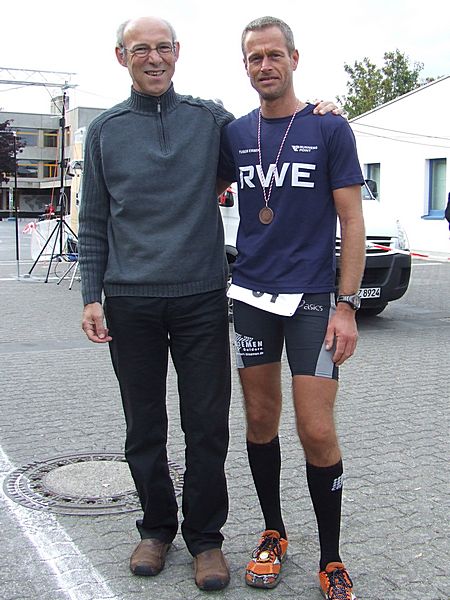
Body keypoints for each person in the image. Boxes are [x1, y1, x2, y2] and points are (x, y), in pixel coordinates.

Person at [77, 16, 233, 592]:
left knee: (207, 425)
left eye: (163, 47)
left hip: (201, 297)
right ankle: (156, 528)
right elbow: (93, 220)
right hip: (130, 301)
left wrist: (316, 114)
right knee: (144, 426)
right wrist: (91, 296)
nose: (154, 58)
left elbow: (267, 142)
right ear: (121, 56)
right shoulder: (105, 130)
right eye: (140, 49)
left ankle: (206, 539)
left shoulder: (210, 121)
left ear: (178, 52)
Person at [217, 16, 366, 600]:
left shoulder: (329, 127)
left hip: (312, 300)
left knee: (316, 428)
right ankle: (273, 532)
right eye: (254, 57)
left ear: (294, 59)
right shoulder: (234, 133)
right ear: (245, 65)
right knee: (259, 419)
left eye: (274, 55)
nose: (265, 65)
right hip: (251, 296)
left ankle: (331, 557)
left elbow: (352, 220)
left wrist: (346, 306)